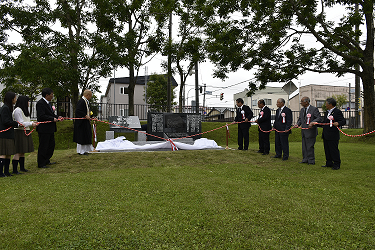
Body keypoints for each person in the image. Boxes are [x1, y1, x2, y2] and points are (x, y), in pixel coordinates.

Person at [310, 98, 345, 170]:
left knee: (333, 150)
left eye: (326, 104)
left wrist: (338, 123)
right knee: (327, 149)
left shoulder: (337, 112)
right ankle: (329, 162)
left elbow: (343, 121)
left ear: (330, 104)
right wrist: (316, 124)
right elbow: (325, 123)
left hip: (333, 135)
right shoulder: (327, 112)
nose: (325, 105)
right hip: (326, 134)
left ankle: (336, 164)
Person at [36, 88, 62, 168]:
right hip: (44, 129)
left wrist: (58, 117)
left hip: (50, 129)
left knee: (51, 145)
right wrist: (52, 119)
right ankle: (41, 163)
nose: (52, 96)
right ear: (47, 95)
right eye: (51, 94)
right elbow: (41, 116)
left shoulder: (48, 103)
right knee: (44, 146)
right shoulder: (40, 103)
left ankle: (47, 160)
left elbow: (51, 114)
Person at [12, 96, 38, 173]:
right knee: (18, 151)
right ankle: (14, 170)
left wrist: (33, 122)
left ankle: (22, 168)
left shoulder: (23, 110)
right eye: (27, 101)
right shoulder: (17, 110)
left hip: (25, 131)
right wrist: (31, 123)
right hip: (19, 132)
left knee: (22, 151)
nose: (28, 103)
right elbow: (20, 123)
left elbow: (25, 121)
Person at [293, 97, 321, 165]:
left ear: (306, 102)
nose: (301, 103)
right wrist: (297, 124)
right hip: (304, 131)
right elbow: (300, 119)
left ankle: (311, 160)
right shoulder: (302, 110)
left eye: (302, 101)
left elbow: (319, 118)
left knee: (310, 146)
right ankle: (305, 159)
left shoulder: (314, 109)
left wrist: (313, 122)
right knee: (304, 146)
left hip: (311, 131)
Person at [0, 92, 19, 177]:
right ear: (11, 99)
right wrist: (16, 123)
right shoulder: (5, 108)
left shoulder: (8, 108)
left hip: (9, 134)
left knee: (8, 153)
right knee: (3, 153)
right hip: (4, 134)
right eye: (15, 98)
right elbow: (5, 121)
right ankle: (1, 172)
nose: (16, 100)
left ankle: (6, 171)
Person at [73, 90, 94, 155]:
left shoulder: (86, 102)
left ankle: (86, 150)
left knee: (86, 136)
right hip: (81, 123)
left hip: (85, 122)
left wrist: (92, 116)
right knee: (81, 137)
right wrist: (85, 116)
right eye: (90, 96)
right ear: (87, 95)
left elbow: (89, 111)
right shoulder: (81, 101)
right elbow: (78, 111)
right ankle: (81, 151)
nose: (90, 97)